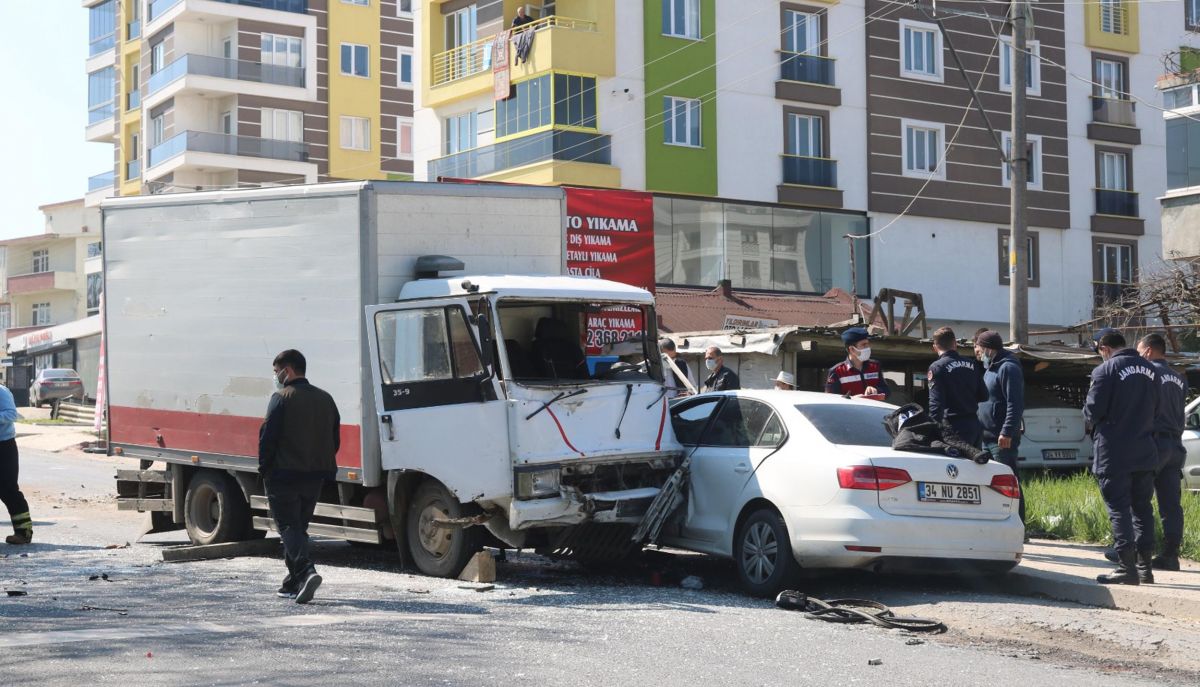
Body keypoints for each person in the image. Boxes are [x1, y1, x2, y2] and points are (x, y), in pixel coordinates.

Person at [259, 349, 341, 604]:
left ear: (288, 370)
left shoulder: (281, 398)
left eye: (276, 372)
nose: (276, 377)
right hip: (315, 475)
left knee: (288, 527)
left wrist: (265, 470)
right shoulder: (326, 399)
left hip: (284, 475)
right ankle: (293, 582)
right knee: (298, 528)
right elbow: (334, 439)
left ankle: (306, 572)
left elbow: (267, 439)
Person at [1085, 328, 1160, 585]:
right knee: (1142, 509)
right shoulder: (1151, 370)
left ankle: (1125, 567)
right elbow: (1157, 409)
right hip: (1145, 450)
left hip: (1114, 452)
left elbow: (1093, 411)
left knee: (1118, 509)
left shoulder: (1104, 371)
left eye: (1098, 351)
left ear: (1104, 347)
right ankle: (1145, 568)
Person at [1136, 333, 1186, 572]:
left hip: (1154, 443)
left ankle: (1134, 549)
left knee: (1138, 495)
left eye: (1138, 351)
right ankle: (1170, 554)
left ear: (1147, 351)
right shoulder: (1178, 377)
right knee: (1171, 504)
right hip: (1176, 445)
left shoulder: (1148, 374)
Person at [974, 330, 1025, 521]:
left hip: (1001, 438)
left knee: (1009, 482)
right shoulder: (990, 368)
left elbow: (1015, 403)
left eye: (978, 348)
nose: (977, 352)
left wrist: (1007, 431)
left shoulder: (1008, 368)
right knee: (990, 483)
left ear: (988, 348)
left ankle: (1019, 524)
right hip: (986, 436)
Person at [927, 326, 988, 448]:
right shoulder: (972, 364)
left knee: (956, 466)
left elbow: (936, 405)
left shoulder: (937, 368)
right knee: (975, 465)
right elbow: (984, 395)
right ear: (955, 343)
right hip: (974, 425)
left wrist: (931, 430)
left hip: (954, 428)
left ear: (935, 347)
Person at [0, 384, 31, 545]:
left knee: (8, 490)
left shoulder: (1, 391)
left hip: (3, 446)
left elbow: (12, 414)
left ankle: (23, 532)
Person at [825, 327, 890, 399]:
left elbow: (887, 392)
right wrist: (853, 399)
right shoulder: (837, 371)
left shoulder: (875, 366)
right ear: (852, 349)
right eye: (864, 345)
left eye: (868, 344)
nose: (868, 348)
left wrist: (876, 390)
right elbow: (831, 400)